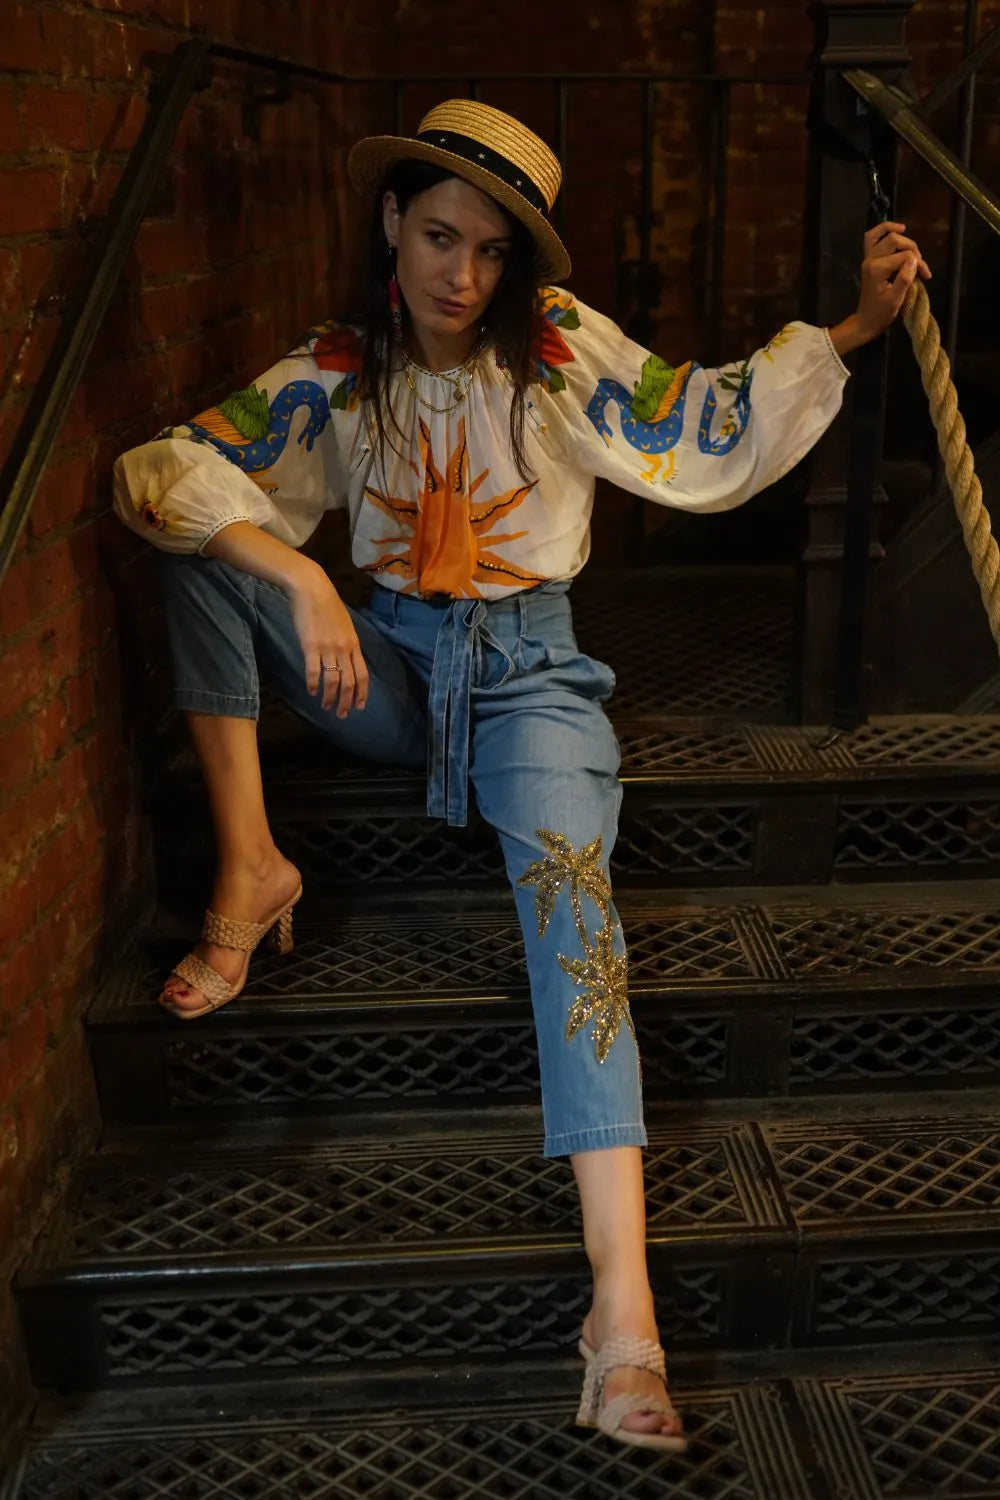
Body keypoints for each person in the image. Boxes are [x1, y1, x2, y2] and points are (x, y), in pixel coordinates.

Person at [113, 99, 929, 1454]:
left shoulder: (553, 352)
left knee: (573, 912)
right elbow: (160, 471)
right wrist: (299, 575)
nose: (462, 275)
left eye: (493, 252)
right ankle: (252, 864)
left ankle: (623, 1309)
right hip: (386, 667)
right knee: (204, 549)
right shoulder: (338, 368)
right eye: (441, 236)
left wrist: (848, 330)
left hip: (530, 677)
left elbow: (698, 416)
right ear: (392, 219)